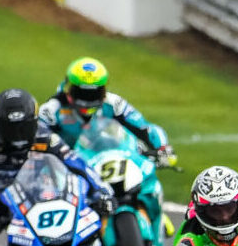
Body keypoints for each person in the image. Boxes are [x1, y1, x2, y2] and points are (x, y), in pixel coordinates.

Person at [0, 89, 113, 246]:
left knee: (93, 209)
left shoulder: (44, 135)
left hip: (38, 191)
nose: (18, 136)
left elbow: (75, 162)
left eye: (24, 128)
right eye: (11, 130)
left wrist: (102, 190)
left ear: (34, 121)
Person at [38, 57, 177, 167]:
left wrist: (163, 148)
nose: (87, 99)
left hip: (109, 164)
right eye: (81, 93)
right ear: (69, 88)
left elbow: (145, 127)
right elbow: (36, 138)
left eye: (94, 93)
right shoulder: (51, 110)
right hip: (69, 167)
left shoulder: (114, 104)